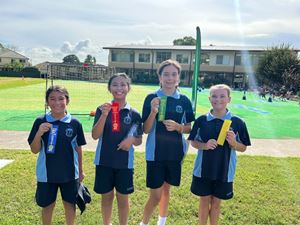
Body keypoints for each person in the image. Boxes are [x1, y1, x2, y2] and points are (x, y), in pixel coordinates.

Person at [140, 59, 195, 225]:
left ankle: (161, 221)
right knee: (155, 195)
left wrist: (179, 127)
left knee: (166, 190)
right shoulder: (152, 97)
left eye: (173, 74)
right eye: (166, 74)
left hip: (174, 153)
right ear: (160, 77)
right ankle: (144, 222)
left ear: (178, 77)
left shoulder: (184, 100)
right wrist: (153, 112)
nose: (170, 78)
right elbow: (146, 130)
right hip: (155, 153)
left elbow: (189, 128)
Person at [188, 84, 251, 225]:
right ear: (210, 99)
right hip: (203, 170)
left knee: (216, 202)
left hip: (224, 170)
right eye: (215, 96)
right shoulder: (201, 120)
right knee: (204, 200)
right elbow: (193, 142)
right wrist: (204, 145)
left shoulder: (238, 122)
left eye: (222, 96)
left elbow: (243, 148)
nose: (218, 99)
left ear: (229, 99)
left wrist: (234, 143)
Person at [28, 85, 86, 225]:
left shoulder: (75, 123)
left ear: (67, 100)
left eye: (61, 98)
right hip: (46, 174)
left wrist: (81, 171)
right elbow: (34, 149)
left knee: (70, 204)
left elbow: (78, 148)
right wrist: (39, 133)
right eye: (52, 99)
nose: (57, 102)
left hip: (70, 173)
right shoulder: (40, 121)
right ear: (47, 102)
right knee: (47, 206)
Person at [92, 73, 143, 225]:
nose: (119, 88)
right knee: (106, 197)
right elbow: (95, 135)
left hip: (124, 164)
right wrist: (104, 115)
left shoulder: (134, 114)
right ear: (109, 88)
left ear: (128, 88)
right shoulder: (102, 109)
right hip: (104, 161)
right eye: (115, 84)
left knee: (123, 199)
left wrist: (131, 140)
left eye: (123, 84)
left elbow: (139, 140)